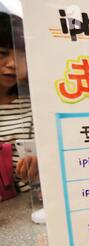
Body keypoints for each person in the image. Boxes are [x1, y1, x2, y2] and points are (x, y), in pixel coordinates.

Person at [0, 12, 37, 194]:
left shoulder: (33, 106)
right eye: (2, 53)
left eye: (21, 56)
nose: (13, 63)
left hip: (23, 205)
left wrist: (39, 163)